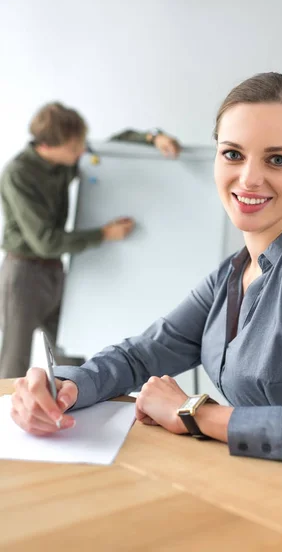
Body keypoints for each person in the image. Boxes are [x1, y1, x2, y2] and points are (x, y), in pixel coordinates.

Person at [9, 74, 282, 478]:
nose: (249, 178)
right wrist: (66, 387)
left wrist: (197, 415)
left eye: (277, 159)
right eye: (233, 154)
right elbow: (140, 355)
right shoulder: (231, 274)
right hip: (251, 485)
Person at [0, 102, 180, 379]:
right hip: (24, 275)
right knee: (14, 360)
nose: (81, 151)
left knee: (69, 353)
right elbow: (45, 241)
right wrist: (104, 234)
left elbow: (111, 147)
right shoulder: (19, 174)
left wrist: (152, 137)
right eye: (74, 147)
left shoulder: (64, 161)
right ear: (48, 146)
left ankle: (74, 408)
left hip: (54, 272)